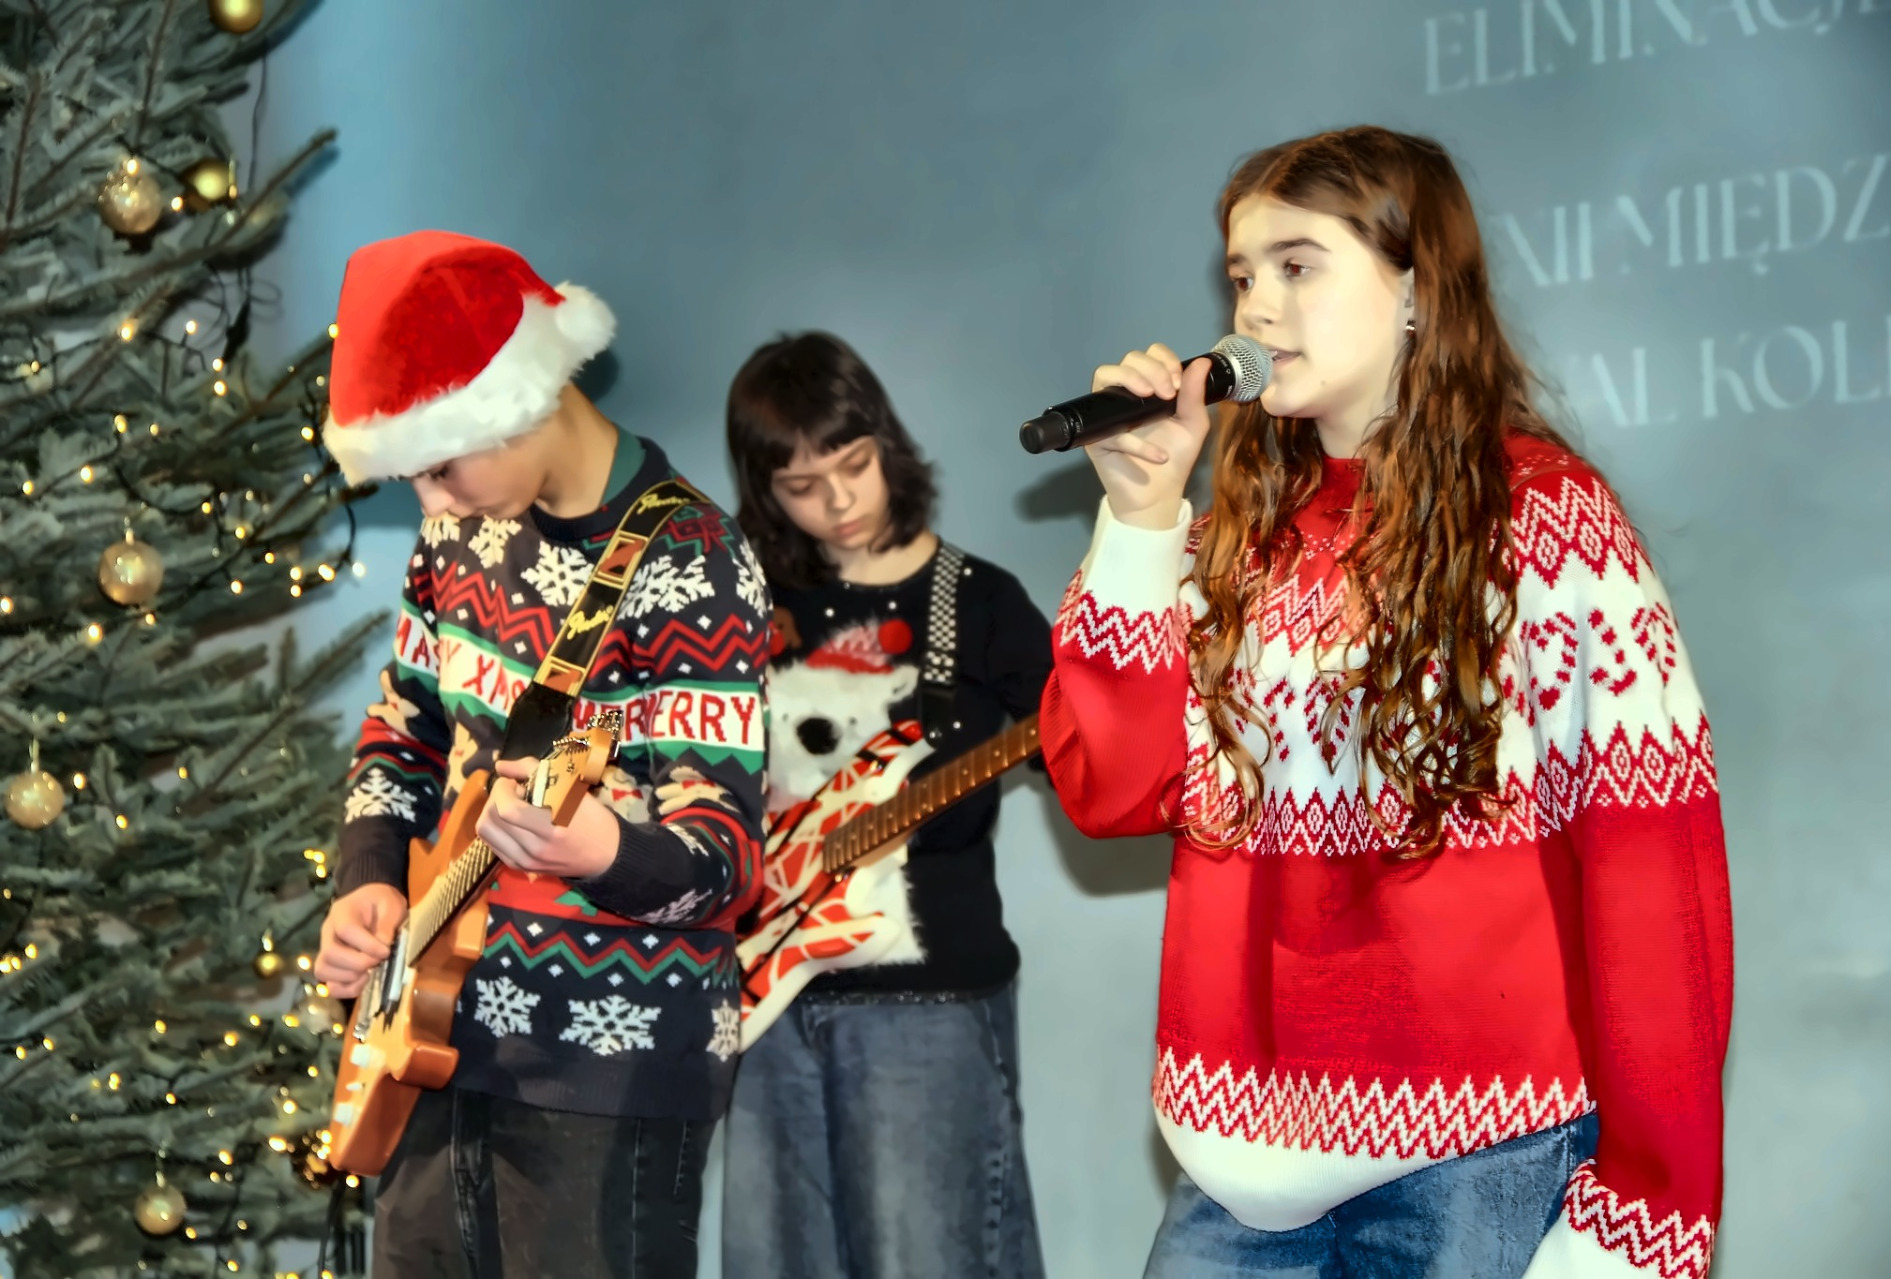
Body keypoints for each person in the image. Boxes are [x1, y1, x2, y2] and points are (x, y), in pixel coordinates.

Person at [1041, 127, 1731, 1279]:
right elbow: (1110, 790)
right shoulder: (1230, 546)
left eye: (1297, 265)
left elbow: (1652, 866)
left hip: (1478, 1159)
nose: (1257, 306)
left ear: (1416, 288)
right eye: (1242, 276)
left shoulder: (1548, 522)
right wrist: (1144, 514)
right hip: (1237, 1172)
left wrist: (1648, 1210)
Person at [311, 231, 770, 1279]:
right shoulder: (457, 538)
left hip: (608, 1074)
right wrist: (370, 880)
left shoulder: (691, 560)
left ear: (516, 402)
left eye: (441, 466)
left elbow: (726, 859)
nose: (431, 505)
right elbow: (404, 728)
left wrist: (605, 850)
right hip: (433, 1038)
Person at [718, 331, 1049, 1279]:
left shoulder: (977, 602)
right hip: (762, 1002)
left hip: (927, 1007)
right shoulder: (742, 605)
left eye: (854, 465)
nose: (837, 501)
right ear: (764, 490)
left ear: (887, 444)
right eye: (801, 485)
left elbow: (1093, 758)